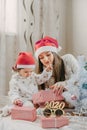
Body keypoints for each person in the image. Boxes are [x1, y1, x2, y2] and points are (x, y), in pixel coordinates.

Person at [0, 52, 52, 117]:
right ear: (18, 70)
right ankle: (9, 110)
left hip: (35, 99)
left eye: (31, 71)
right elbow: (13, 92)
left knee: (45, 103)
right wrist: (16, 99)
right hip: (24, 100)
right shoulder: (15, 80)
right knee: (28, 106)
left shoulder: (32, 76)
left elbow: (41, 79)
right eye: (26, 72)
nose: (29, 74)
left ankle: (39, 111)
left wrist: (47, 71)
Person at [34, 36, 80, 108]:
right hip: (59, 104)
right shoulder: (43, 73)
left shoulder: (68, 59)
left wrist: (65, 84)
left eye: (48, 54)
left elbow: (82, 78)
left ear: (54, 53)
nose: (45, 59)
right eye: (41, 58)